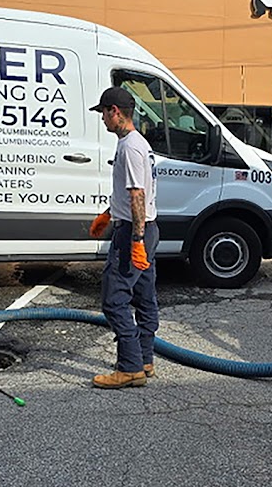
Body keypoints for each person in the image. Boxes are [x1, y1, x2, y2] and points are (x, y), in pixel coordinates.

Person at [88, 86, 159, 389]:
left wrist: (137, 239)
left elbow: (137, 195)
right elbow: (133, 192)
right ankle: (144, 358)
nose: (102, 120)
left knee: (114, 300)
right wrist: (108, 214)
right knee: (143, 297)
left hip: (134, 232)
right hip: (145, 227)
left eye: (103, 113)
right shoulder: (138, 143)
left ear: (114, 112)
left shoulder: (129, 147)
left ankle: (130, 368)